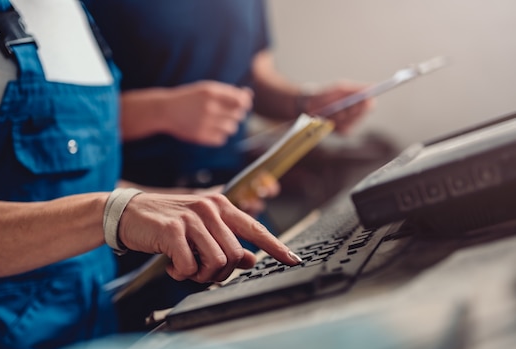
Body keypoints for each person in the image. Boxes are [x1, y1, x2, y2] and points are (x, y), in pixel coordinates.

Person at [0, 1, 302, 349]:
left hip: (94, 333)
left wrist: (184, 206)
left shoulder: (74, 12)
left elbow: (76, 182)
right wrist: (115, 211)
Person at [83, 0, 375, 330]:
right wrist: (160, 111)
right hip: (141, 231)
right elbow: (61, 120)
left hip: (234, 209)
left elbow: (252, 75)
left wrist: (305, 102)